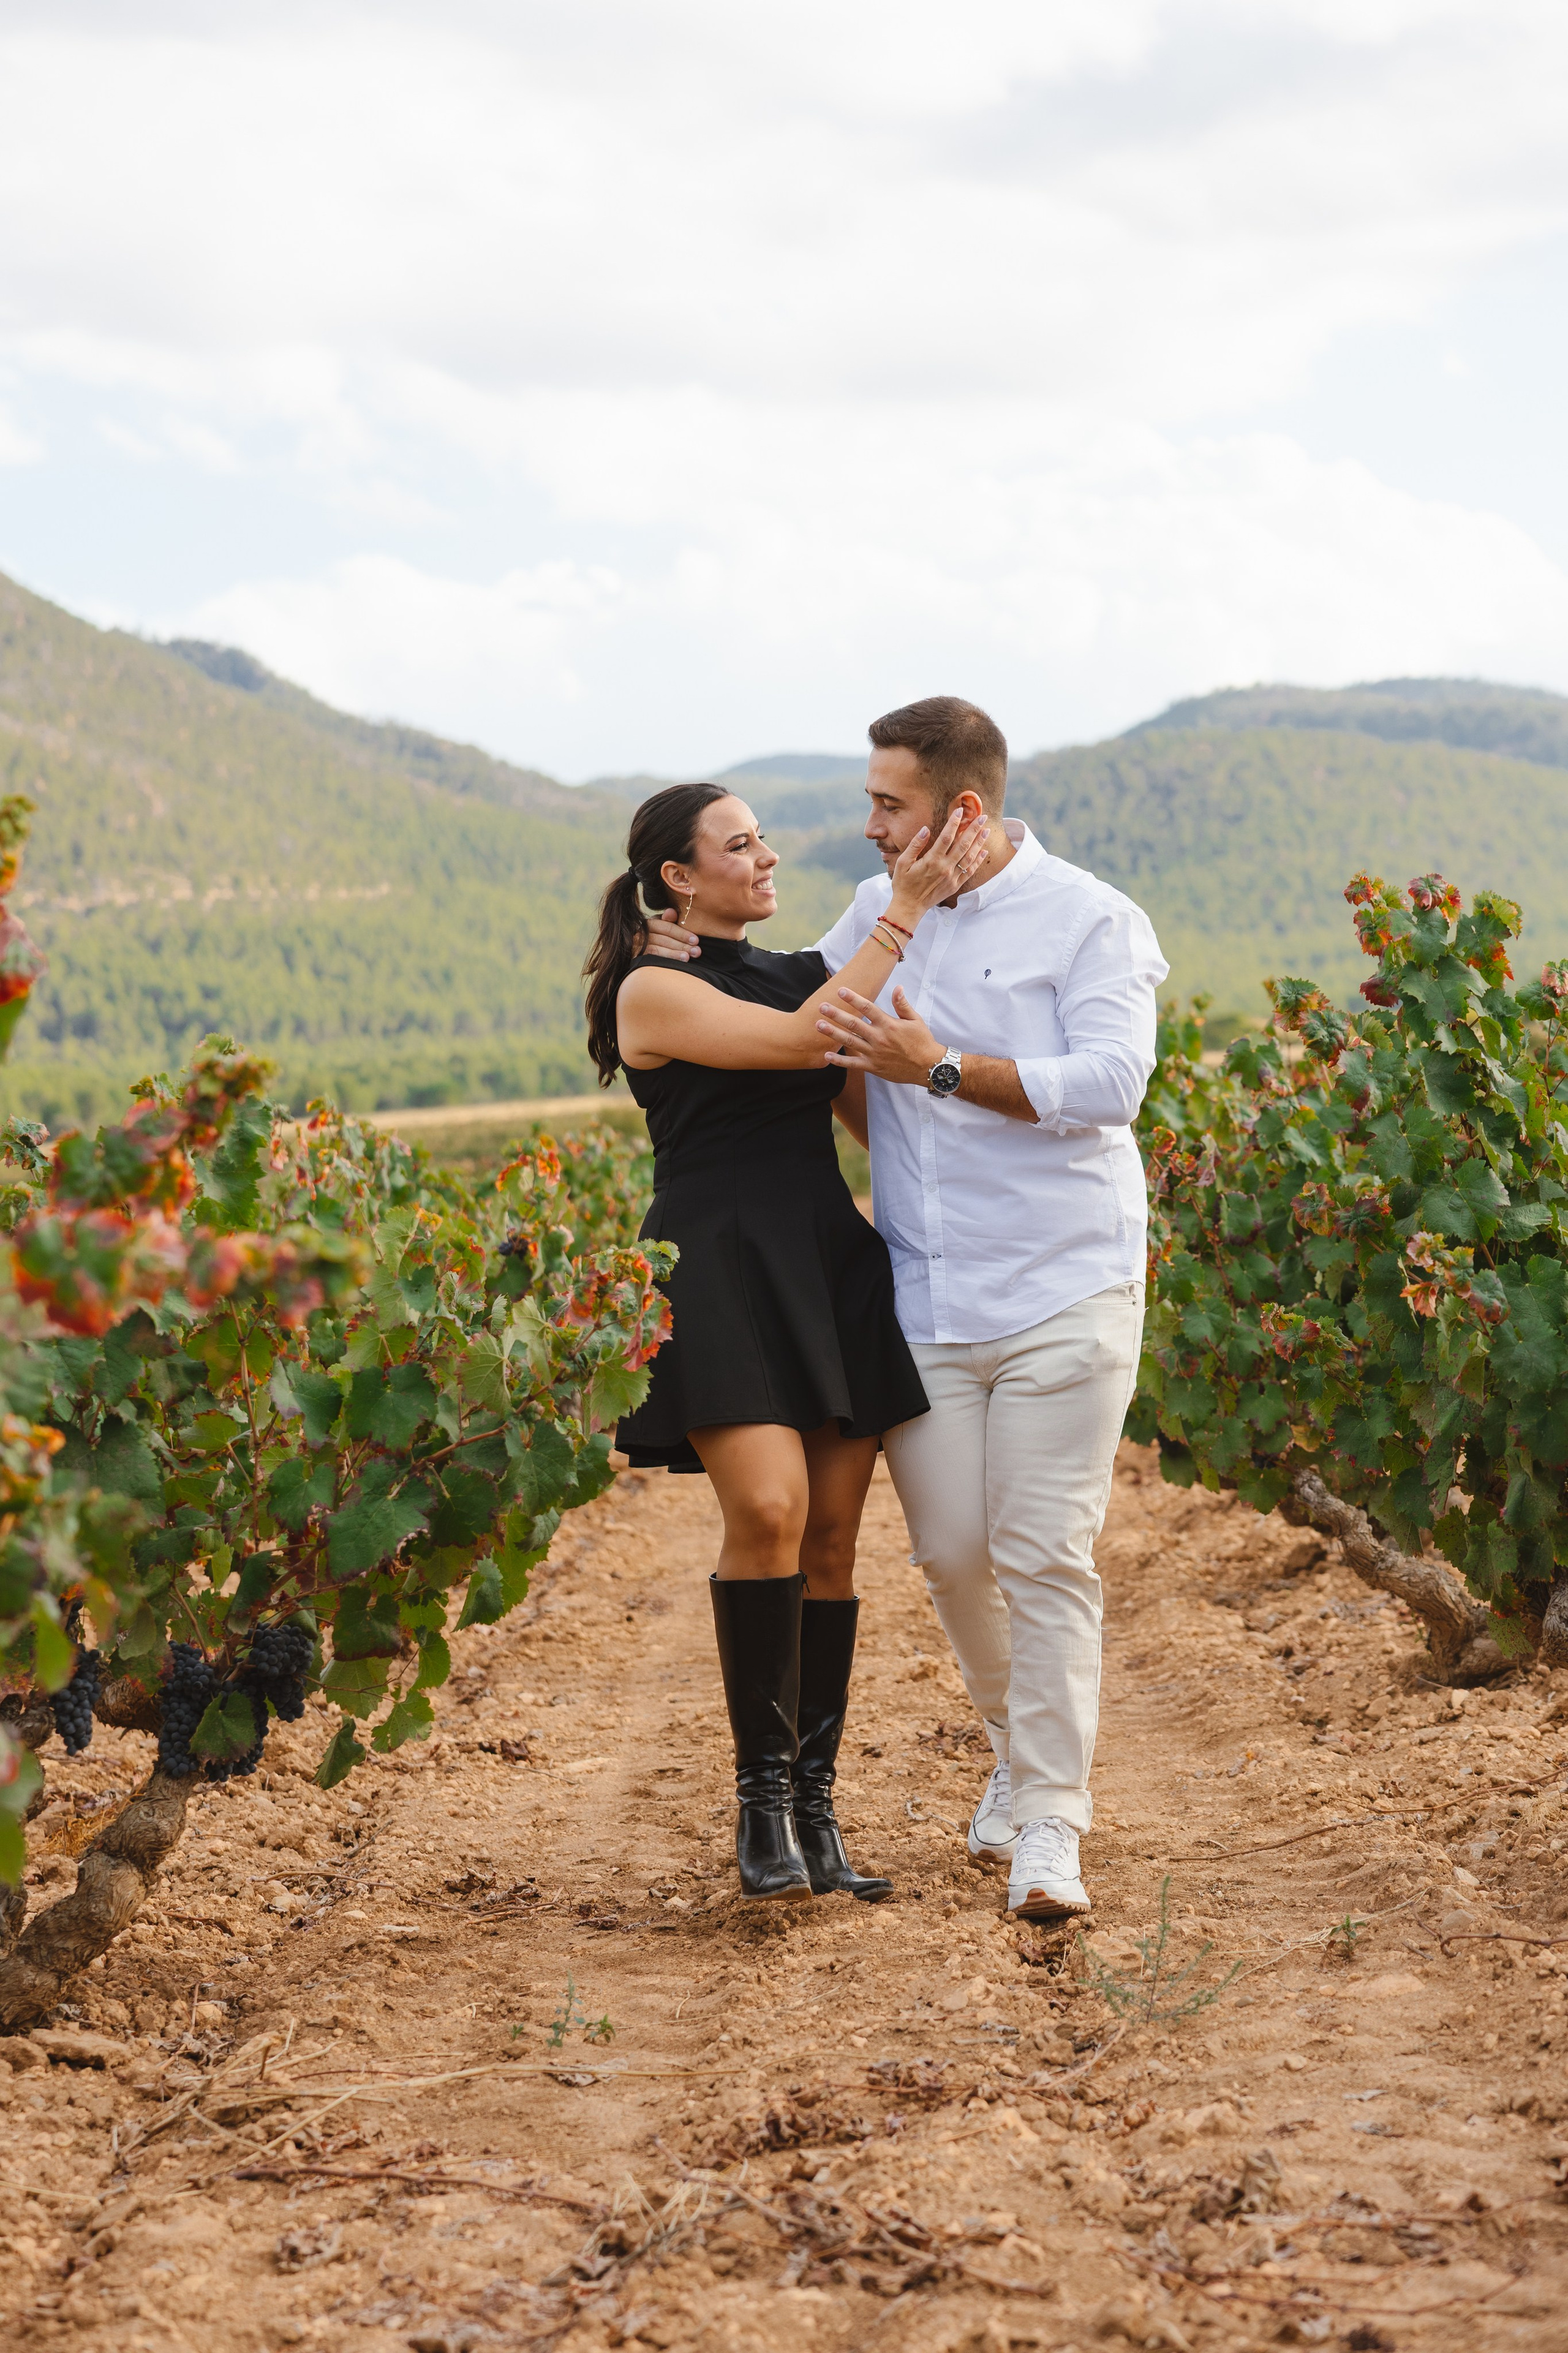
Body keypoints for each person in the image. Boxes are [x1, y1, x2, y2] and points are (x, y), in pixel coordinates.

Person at [644, 699, 1167, 1922]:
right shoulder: (877, 918)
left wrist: (932, 1067)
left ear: (959, 811)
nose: (866, 825)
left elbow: (1111, 1085)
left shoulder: (1089, 917)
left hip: (1062, 1278)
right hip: (921, 1289)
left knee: (1041, 1550)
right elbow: (809, 1041)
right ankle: (1014, 1752)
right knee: (947, 1555)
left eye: (887, 805)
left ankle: (1049, 1823)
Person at [582, 780, 987, 1905]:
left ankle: (815, 1813)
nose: (766, 857)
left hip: (824, 1256)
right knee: (766, 1512)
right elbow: (811, 1041)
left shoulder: (804, 966)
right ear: (678, 874)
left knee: (834, 1542)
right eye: (740, 844)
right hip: (720, 1266)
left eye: (762, 840)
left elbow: (859, 1082)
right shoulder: (650, 990)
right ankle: (761, 1805)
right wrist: (900, 912)